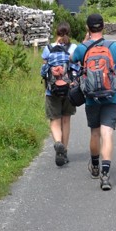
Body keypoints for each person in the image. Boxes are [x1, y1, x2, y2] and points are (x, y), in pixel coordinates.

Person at [71, 13, 116, 191]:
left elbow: (72, 62)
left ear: (87, 28)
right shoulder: (113, 47)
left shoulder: (82, 48)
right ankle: (105, 174)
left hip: (91, 98)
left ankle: (95, 166)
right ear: (103, 26)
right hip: (112, 96)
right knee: (107, 134)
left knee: (95, 133)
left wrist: (84, 41)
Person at [41, 22, 78, 167]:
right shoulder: (73, 48)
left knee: (54, 120)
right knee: (66, 120)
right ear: (69, 32)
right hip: (69, 89)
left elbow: (44, 70)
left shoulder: (48, 49)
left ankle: (57, 143)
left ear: (56, 33)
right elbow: (77, 68)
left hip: (52, 90)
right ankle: (65, 150)